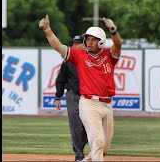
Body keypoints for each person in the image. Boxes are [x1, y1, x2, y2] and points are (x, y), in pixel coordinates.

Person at [39, 15, 122, 161]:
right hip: (89, 104)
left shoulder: (109, 55)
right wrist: (47, 30)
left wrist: (113, 31)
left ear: (101, 42)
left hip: (107, 104)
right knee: (97, 141)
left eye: (92, 39)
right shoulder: (79, 55)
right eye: (87, 39)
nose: (88, 42)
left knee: (104, 149)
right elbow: (58, 47)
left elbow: (118, 45)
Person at [55, 35, 88, 162]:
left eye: (77, 44)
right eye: (73, 44)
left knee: (89, 126)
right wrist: (58, 97)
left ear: (83, 45)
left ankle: (78, 145)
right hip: (72, 95)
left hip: (87, 97)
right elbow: (61, 79)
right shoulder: (68, 60)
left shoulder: (89, 58)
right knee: (75, 125)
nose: (74, 46)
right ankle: (79, 156)